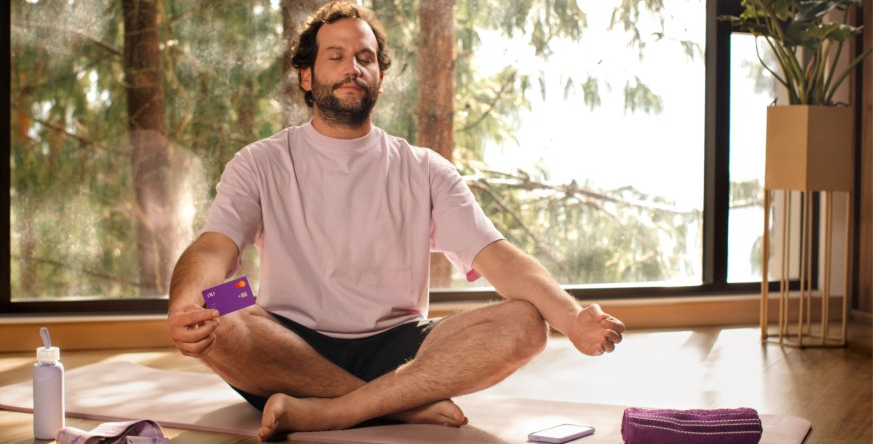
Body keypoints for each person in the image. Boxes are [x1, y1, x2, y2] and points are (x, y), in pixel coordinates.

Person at [167, 1, 625, 440]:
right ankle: (397, 406)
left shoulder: (425, 168)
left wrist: (572, 318)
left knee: (526, 323)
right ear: (307, 76)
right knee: (217, 302)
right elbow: (214, 246)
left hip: (401, 349)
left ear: (381, 78)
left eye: (365, 59)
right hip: (283, 344)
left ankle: (336, 410)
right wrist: (186, 303)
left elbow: (497, 257)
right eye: (336, 56)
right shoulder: (259, 162)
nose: (352, 68)